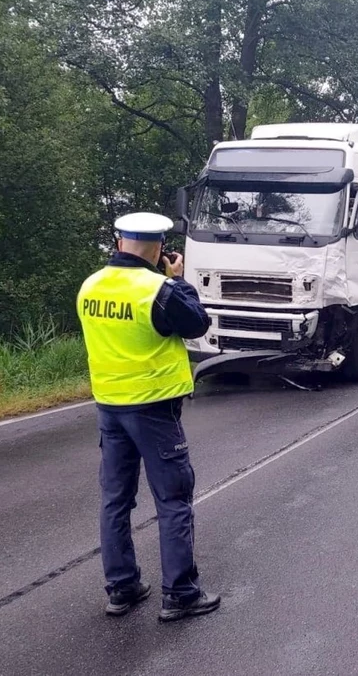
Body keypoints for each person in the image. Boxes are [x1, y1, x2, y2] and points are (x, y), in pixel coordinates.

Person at [76, 212, 221, 622]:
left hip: (109, 405)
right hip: (155, 407)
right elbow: (197, 324)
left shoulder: (90, 286)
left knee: (115, 500)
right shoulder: (159, 289)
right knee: (173, 500)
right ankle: (180, 593)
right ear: (159, 248)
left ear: (121, 241)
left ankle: (121, 589)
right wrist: (177, 279)